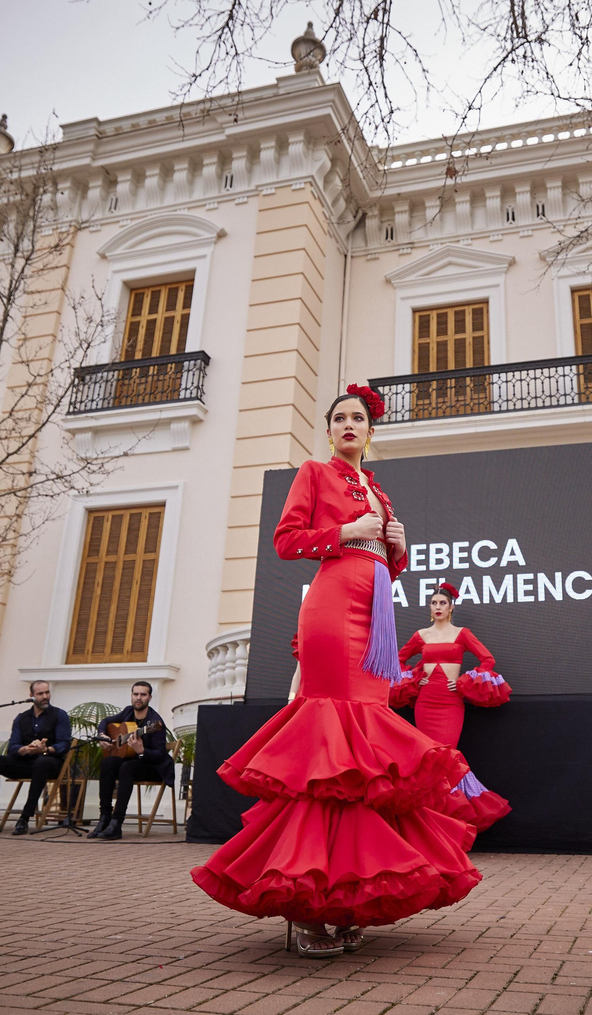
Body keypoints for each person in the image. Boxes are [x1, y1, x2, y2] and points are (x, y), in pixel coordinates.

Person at [190, 384, 480, 958]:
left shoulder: (378, 489)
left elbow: (385, 569)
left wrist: (397, 549)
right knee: (328, 753)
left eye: (359, 418)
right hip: (330, 610)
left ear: (371, 432)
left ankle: (345, 899)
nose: (350, 425)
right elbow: (286, 541)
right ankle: (306, 910)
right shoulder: (314, 474)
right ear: (329, 431)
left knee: (363, 761)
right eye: (340, 418)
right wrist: (350, 532)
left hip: (375, 621)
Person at [396, 582, 513, 831]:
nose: (438, 607)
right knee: (428, 758)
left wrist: (464, 682)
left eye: (442, 603)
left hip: (450, 703)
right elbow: (398, 659)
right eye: (434, 603)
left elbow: (487, 659)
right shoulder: (421, 635)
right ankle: (430, 824)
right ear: (430, 608)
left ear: (451, 607)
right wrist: (417, 677)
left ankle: (453, 824)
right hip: (425, 701)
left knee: (447, 757)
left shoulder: (462, 633)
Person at [0, 680, 71, 835]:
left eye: (47, 692)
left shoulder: (59, 715)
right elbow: (13, 747)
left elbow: (65, 744)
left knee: (42, 762)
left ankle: (24, 817)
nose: (45, 697)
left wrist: (46, 749)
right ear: (31, 696)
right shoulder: (21, 718)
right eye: (40, 693)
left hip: (51, 763)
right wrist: (26, 749)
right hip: (26, 763)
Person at [87, 680, 175, 840]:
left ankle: (117, 823)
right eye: (136, 694)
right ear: (131, 695)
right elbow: (105, 722)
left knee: (127, 767)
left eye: (143, 694)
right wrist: (103, 735)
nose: (138, 698)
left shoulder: (155, 723)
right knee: (108, 763)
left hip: (154, 767)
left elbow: (159, 754)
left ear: (149, 697)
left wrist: (141, 751)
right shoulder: (128, 712)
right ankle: (104, 817)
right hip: (131, 763)